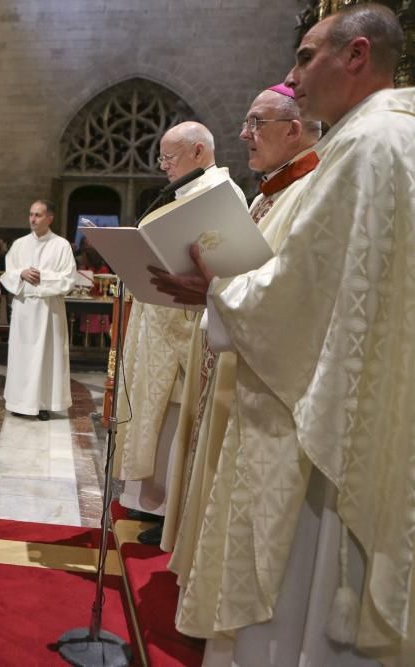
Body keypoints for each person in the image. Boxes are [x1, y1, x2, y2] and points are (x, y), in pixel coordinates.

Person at [153, 5, 415, 662]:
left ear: (355, 55)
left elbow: (296, 294)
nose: (292, 75)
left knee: (308, 591)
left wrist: (217, 289)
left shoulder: (364, 145)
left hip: (322, 426)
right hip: (379, 400)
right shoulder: (396, 135)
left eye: (305, 56)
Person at [161, 85, 321, 581]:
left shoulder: (310, 192)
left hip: (269, 382)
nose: (243, 134)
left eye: (255, 124)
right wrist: (210, 293)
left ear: (293, 130)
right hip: (232, 354)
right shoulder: (268, 192)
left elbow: (293, 295)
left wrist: (216, 293)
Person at [114, 121, 237, 544]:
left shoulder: (221, 197)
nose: (163, 166)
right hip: (160, 325)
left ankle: (170, 510)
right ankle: (150, 501)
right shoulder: (184, 196)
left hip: (188, 333)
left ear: (199, 151)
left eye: (170, 157)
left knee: (176, 421)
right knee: (159, 417)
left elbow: (227, 275)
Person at [0, 200, 75, 421]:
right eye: (31, 214)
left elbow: (68, 279)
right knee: (21, 356)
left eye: (38, 215)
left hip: (48, 310)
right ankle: (19, 401)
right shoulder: (19, 244)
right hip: (24, 309)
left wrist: (42, 277)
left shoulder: (61, 245)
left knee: (45, 357)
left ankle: (43, 403)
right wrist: (21, 274)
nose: (33, 219)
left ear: (49, 218)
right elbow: (7, 274)